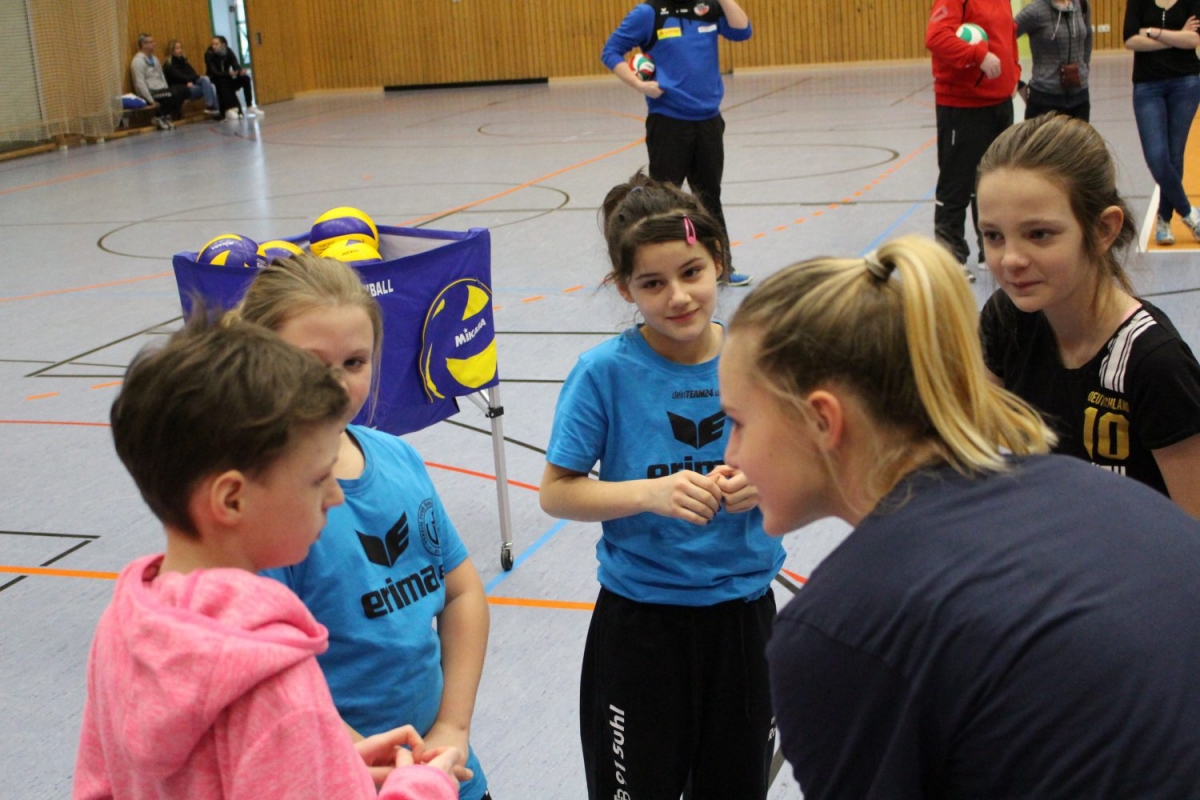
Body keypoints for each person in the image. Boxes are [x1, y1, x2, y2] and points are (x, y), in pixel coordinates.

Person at [717, 233, 1200, 799]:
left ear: (823, 420)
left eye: (740, 422)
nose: (731, 455)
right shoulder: (1094, 489)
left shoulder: (838, 632)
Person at [73, 315, 463, 800]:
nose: (335, 496)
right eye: (317, 479)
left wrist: (328, 764)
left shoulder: (124, 626)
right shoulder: (273, 683)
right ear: (232, 500)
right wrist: (422, 786)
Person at [540, 172, 785, 799]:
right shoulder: (604, 373)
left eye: (692, 272)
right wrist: (649, 493)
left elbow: (804, 463)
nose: (678, 297)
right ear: (625, 288)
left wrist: (766, 482)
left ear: (721, 263)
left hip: (743, 621)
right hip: (642, 626)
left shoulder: (758, 360)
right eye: (652, 283)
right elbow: (558, 491)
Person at [235, 253, 493, 800]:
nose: (337, 384)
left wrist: (452, 729)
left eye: (355, 363)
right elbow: (278, 684)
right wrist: (379, 764)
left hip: (441, 771)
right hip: (342, 778)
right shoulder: (265, 513)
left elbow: (462, 589)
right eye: (312, 363)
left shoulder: (398, 460)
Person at [978, 114, 1200, 517]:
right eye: (993, 235)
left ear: (1102, 230)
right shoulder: (1006, 319)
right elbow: (968, 445)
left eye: (1039, 234)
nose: (1010, 259)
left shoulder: (1155, 365)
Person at [601, 0, 754, 287]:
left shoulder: (708, 7)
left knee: (709, 196)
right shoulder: (650, 13)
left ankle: (723, 267)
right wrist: (640, 85)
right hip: (668, 122)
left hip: (708, 120)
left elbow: (742, 31)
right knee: (660, 201)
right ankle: (649, 267)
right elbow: (610, 51)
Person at [926, 0, 1019, 266]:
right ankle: (950, 258)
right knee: (955, 184)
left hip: (1000, 104)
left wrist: (1014, 75)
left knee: (995, 184)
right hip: (963, 106)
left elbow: (1008, 34)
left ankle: (990, 250)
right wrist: (978, 55)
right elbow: (937, 37)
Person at [1124, 0, 1200, 245]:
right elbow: (1130, 40)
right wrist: (1177, 36)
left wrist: (1154, 32)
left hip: (1186, 83)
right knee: (1156, 156)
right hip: (1148, 86)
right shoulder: (1138, 2)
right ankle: (1189, 213)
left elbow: (1193, 41)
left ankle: (1164, 221)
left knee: (1174, 156)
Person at [1015, 0, 1093, 121]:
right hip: (1044, 101)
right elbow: (1005, 39)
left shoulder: (1081, 5)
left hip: (1080, 99)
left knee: (1077, 140)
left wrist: (1084, 68)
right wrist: (1016, 82)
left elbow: (1088, 36)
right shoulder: (1035, 11)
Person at [129, 33, 187, 130]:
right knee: (172, 94)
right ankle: (158, 116)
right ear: (144, 45)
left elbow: (161, 76)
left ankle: (165, 115)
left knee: (183, 91)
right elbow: (140, 83)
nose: (154, 44)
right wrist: (150, 100)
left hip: (162, 90)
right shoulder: (137, 62)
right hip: (151, 93)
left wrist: (167, 88)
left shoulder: (155, 59)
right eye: (151, 42)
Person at [206, 35, 263, 120]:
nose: (213, 46)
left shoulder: (228, 52)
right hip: (216, 80)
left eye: (216, 44)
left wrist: (240, 71)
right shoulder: (209, 54)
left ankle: (249, 106)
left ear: (223, 45)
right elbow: (214, 72)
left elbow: (235, 63)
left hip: (227, 78)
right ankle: (231, 108)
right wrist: (228, 74)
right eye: (212, 44)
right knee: (224, 81)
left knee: (245, 78)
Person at [163, 38, 220, 117]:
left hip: (191, 85)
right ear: (171, 50)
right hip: (182, 89)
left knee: (209, 83)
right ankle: (211, 106)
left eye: (180, 48)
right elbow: (179, 77)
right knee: (207, 82)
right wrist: (188, 81)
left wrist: (191, 80)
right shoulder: (169, 65)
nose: (180, 50)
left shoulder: (184, 61)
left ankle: (214, 109)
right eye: (177, 48)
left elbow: (193, 73)